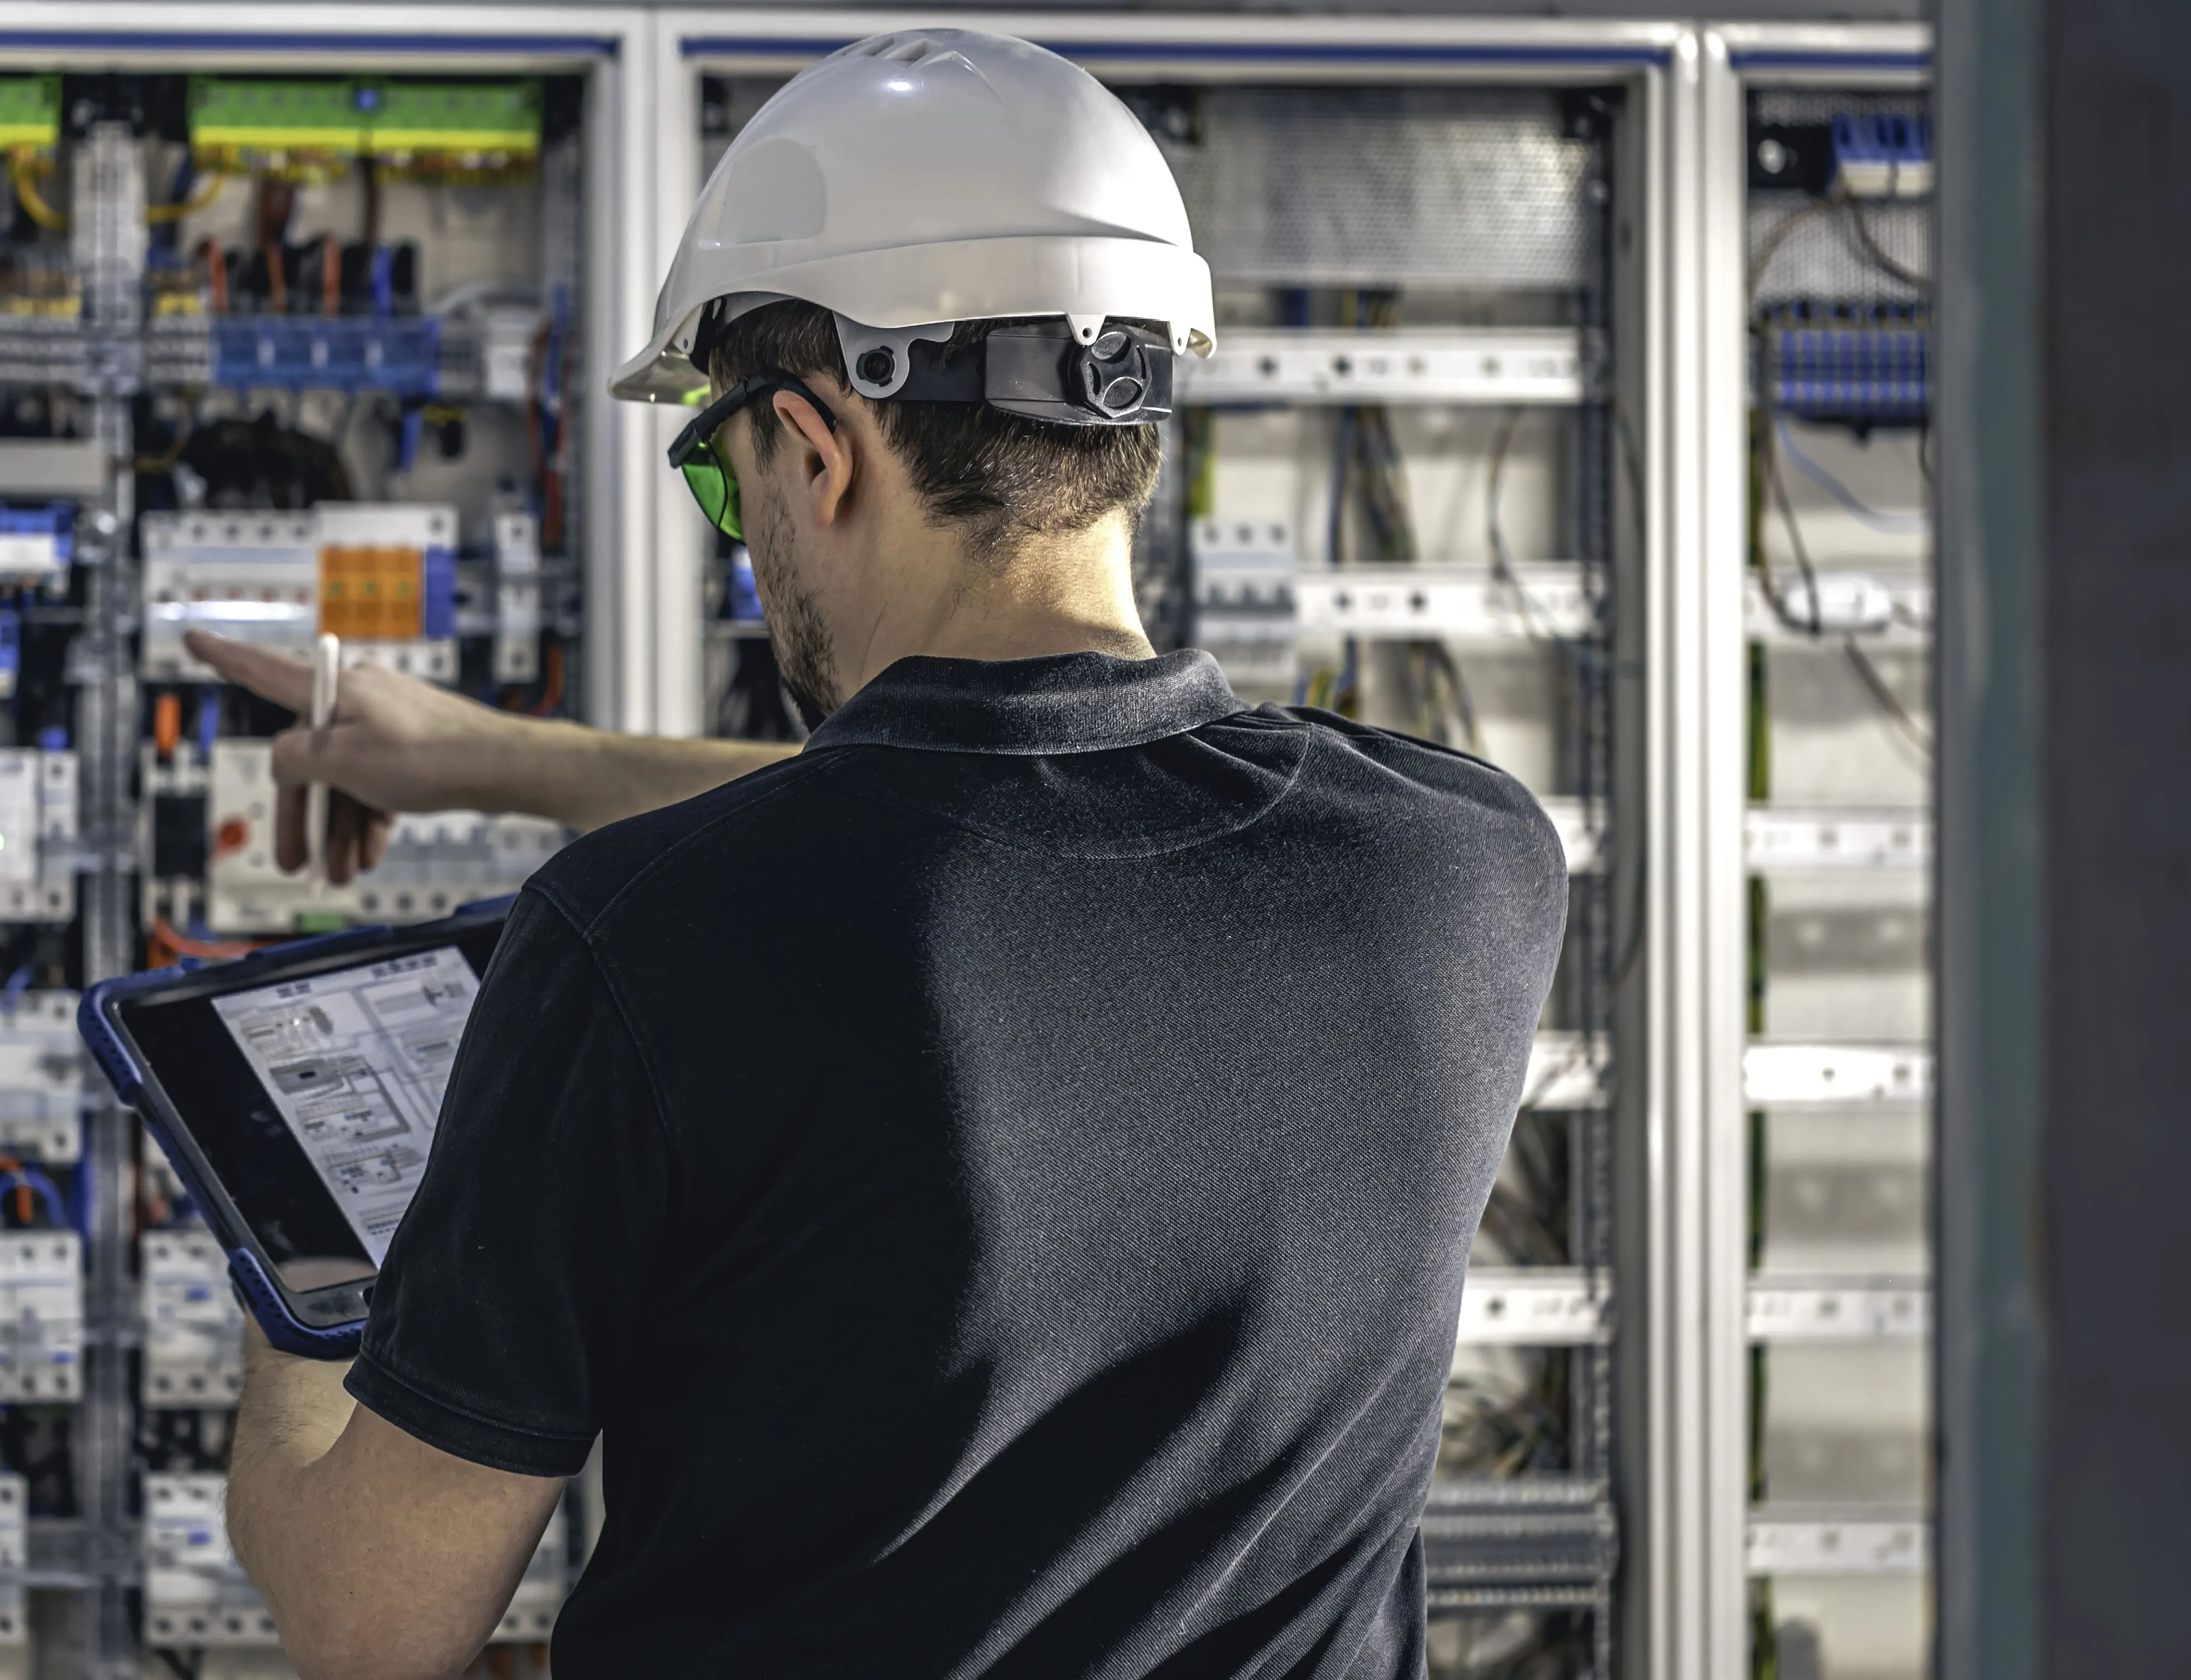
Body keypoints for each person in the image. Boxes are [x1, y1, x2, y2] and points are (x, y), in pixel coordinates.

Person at [205, 30, 1567, 1680]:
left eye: (726, 469)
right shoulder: (1462, 870)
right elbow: (993, 820)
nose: (744, 528)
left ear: (819, 447)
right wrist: (498, 762)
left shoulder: (639, 949)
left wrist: (300, 1287)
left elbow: (371, 1622)